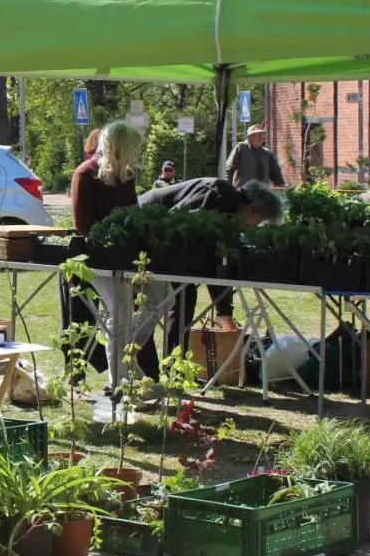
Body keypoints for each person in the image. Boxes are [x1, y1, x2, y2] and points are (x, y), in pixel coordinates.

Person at [137, 178, 282, 352]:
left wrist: (224, 312)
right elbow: (175, 221)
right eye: (258, 222)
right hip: (142, 229)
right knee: (168, 302)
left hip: (165, 246)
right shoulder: (218, 193)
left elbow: (218, 262)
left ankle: (172, 369)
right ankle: (162, 371)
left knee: (185, 298)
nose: (253, 228)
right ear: (251, 208)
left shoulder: (231, 216)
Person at [64, 121, 160, 384]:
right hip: (95, 259)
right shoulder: (85, 174)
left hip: (126, 257)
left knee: (161, 299)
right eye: (132, 149)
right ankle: (120, 382)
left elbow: (133, 215)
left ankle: (127, 349)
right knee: (119, 312)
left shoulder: (125, 175)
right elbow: (84, 227)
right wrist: (114, 260)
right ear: (120, 148)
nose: (136, 155)